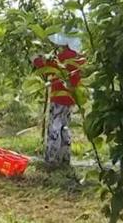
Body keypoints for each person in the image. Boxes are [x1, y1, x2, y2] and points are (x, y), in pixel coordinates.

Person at [32, 33, 85, 169]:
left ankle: (51, 158)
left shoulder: (62, 57)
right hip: (72, 97)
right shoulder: (79, 58)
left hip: (59, 96)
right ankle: (64, 158)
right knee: (64, 126)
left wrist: (36, 59)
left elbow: (45, 67)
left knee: (55, 126)